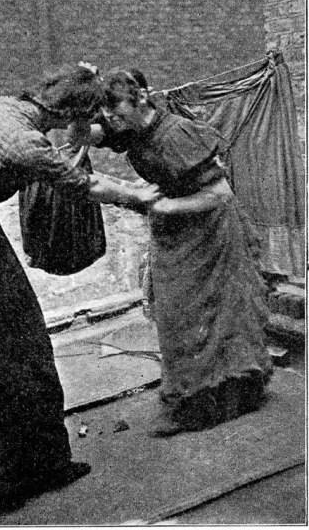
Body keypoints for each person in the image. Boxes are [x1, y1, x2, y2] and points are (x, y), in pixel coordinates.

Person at [0, 63, 162, 512]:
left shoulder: (5, 108)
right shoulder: (25, 141)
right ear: (67, 113)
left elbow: (68, 141)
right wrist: (136, 195)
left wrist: (84, 89)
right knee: (3, 346)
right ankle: (1, 477)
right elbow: (80, 184)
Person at [98, 68, 273, 436]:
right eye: (105, 111)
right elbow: (85, 134)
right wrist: (81, 91)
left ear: (140, 99)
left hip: (211, 231)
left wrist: (165, 206)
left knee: (211, 316)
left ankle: (218, 399)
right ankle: (194, 398)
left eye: (115, 109)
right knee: (175, 318)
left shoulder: (176, 133)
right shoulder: (130, 128)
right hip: (176, 234)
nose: (110, 118)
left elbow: (221, 195)